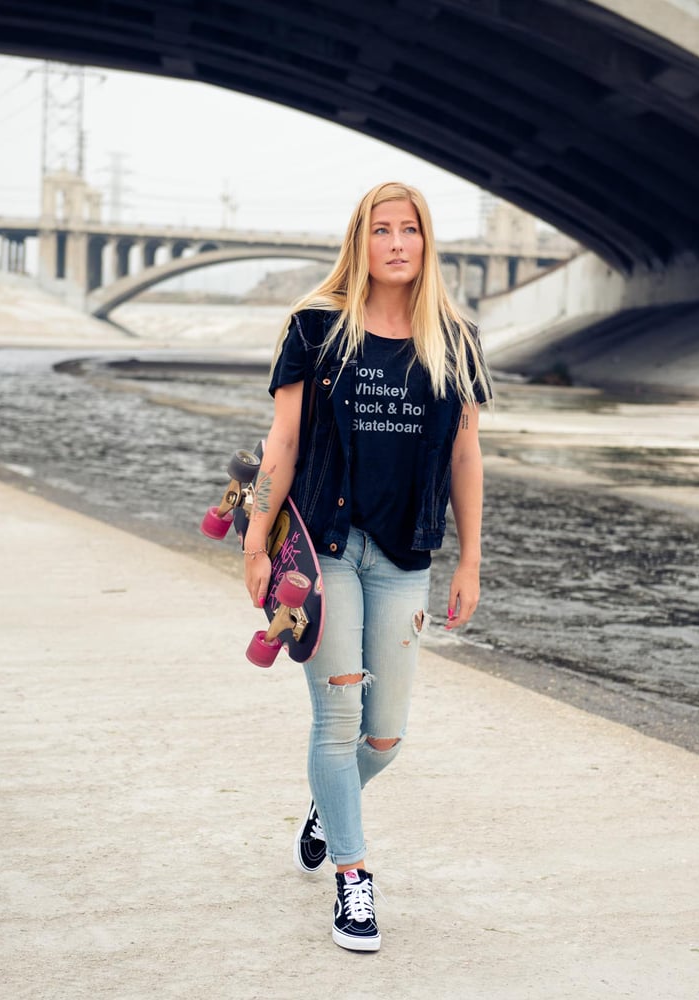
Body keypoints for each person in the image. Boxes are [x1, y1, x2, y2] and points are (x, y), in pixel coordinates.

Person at [241, 181, 491, 952]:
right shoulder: (315, 328)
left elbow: (465, 452)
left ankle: (328, 807)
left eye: (408, 230)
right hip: (325, 551)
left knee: (384, 737)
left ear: (425, 242)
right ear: (360, 240)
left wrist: (471, 558)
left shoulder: (455, 336)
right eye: (379, 230)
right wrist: (254, 538)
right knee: (338, 718)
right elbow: (280, 442)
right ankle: (353, 878)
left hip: (405, 552)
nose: (394, 243)